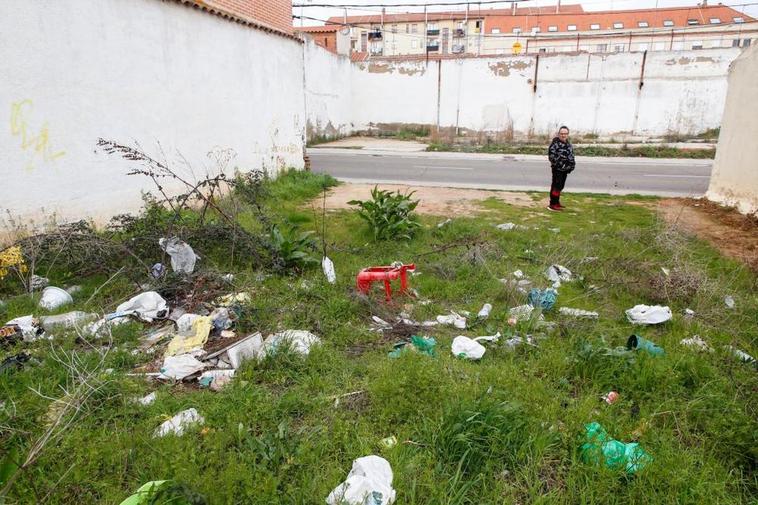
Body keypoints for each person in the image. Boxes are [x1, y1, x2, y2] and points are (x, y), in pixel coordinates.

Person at [547, 125, 575, 211]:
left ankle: (557, 202)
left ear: (568, 134)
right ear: (559, 134)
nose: (563, 135)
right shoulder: (555, 144)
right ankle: (552, 204)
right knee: (556, 186)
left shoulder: (568, 144)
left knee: (560, 186)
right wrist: (562, 165)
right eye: (562, 133)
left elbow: (571, 156)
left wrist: (571, 166)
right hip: (557, 170)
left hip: (565, 170)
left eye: (565, 133)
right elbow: (552, 157)